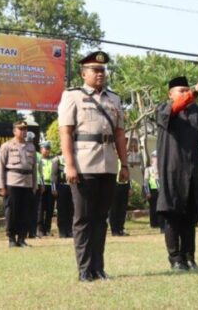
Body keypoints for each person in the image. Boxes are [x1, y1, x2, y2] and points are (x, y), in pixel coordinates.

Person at [58, 50, 129, 282]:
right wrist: (69, 164)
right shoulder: (72, 96)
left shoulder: (114, 99)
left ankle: (98, 267)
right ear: (83, 73)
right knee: (83, 219)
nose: (100, 74)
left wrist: (124, 164)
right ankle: (84, 269)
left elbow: (119, 134)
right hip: (83, 164)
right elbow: (66, 132)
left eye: (102, 70)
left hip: (108, 164)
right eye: (95, 70)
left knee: (101, 219)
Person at [156, 75, 198, 271]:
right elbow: (175, 108)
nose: (185, 93)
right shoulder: (163, 109)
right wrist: (195, 91)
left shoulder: (193, 111)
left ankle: (189, 256)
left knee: (190, 217)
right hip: (172, 171)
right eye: (180, 90)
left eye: (186, 89)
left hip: (192, 171)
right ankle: (175, 258)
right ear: (170, 94)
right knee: (173, 216)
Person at [0, 120, 38, 248]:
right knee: (12, 211)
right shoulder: (7, 146)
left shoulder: (31, 147)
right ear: (14, 131)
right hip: (12, 181)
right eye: (21, 129)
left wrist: (35, 184)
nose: (23, 131)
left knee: (25, 211)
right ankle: (11, 238)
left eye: (25, 129)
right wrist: (1, 186)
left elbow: (34, 168)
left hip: (27, 182)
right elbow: (0, 166)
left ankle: (21, 238)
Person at [37, 142, 57, 237]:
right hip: (41, 185)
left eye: (49, 148)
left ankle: (47, 229)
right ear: (41, 149)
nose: (47, 150)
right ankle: (40, 229)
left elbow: (54, 175)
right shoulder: (39, 159)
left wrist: (54, 188)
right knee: (40, 209)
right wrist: (42, 184)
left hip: (50, 186)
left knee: (50, 209)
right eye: (45, 148)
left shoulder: (53, 160)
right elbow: (39, 173)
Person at [51, 155, 74, 238]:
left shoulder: (73, 157)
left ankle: (70, 230)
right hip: (61, 186)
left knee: (71, 209)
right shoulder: (57, 160)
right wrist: (54, 188)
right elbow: (53, 175)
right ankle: (62, 231)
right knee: (62, 209)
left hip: (71, 186)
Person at [109, 157, 132, 237]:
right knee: (114, 209)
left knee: (122, 209)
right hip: (114, 185)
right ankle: (114, 230)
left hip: (124, 185)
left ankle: (121, 228)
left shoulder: (124, 162)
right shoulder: (112, 160)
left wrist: (130, 187)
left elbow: (128, 175)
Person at [144, 151, 162, 230]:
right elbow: (146, 182)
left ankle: (160, 222)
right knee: (153, 208)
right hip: (153, 191)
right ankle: (153, 223)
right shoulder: (148, 169)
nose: (157, 159)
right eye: (155, 157)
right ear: (152, 159)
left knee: (160, 208)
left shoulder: (161, 169)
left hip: (160, 191)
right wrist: (147, 192)